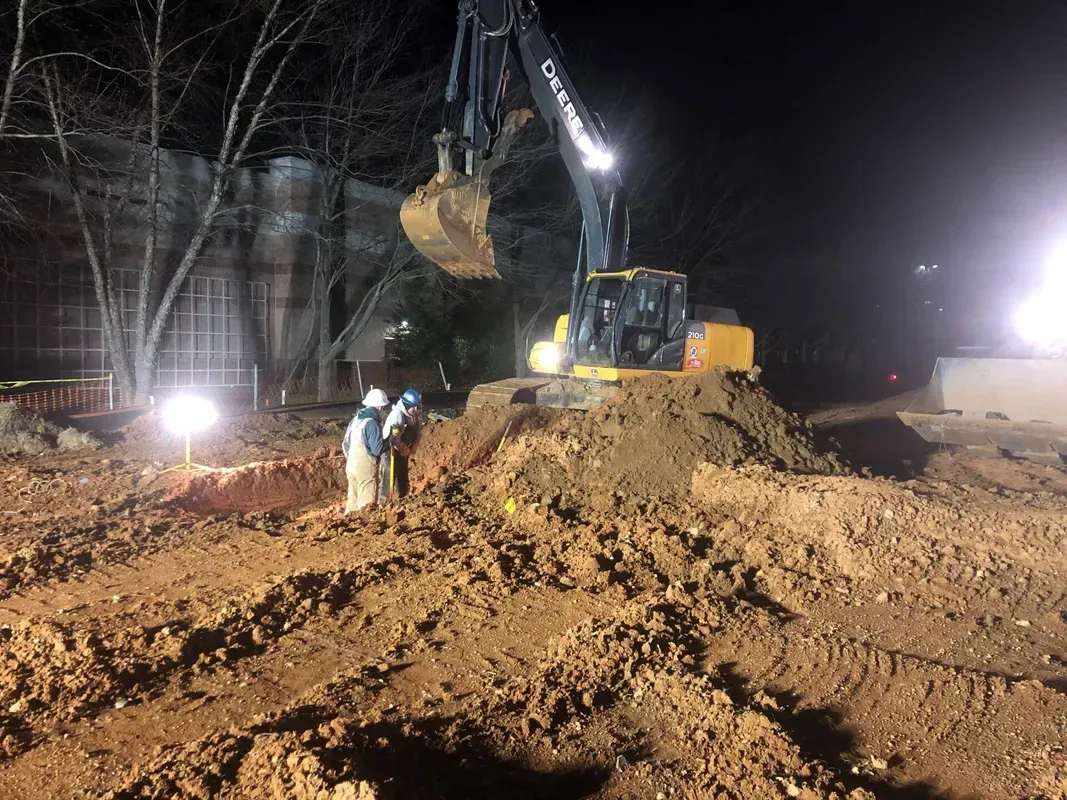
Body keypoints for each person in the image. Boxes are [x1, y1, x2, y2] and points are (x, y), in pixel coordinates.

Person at [342, 388, 391, 514]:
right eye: (384, 407)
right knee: (366, 506)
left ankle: (348, 526)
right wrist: (390, 441)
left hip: (351, 465)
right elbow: (377, 449)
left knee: (353, 500)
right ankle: (364, 528)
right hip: (364, 468)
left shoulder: (356, 420)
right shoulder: (372, 423)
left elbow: (345, 444)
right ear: (379, 407)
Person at [380, 388, 422, 501]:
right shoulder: (397, 415)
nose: (417, 409)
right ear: (407, 405)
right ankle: (384, 501)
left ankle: (403, 498)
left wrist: (414, 447)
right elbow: (393, 439)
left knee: (402, 473)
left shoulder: (414, 415)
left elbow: (418, 432)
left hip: (404, 448)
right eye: (414, 407)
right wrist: (404, 449)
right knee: (390, 475)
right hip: (391, 450)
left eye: (418, 406)